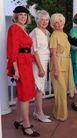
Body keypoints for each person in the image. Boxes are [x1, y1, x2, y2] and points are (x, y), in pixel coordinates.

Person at [6, 6, 40, 137]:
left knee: (21, 94)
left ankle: (18, 120)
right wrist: (15, 69)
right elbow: (13, 49)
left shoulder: (24, 29)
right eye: (20, 15)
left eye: (25, 15)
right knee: (25, 95)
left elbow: (28, 49)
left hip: (26, 63)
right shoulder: (14, 28)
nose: (23, 17)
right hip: (20, 64)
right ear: (15, 16)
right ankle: (26, 125)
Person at [29, 9, 52, 123]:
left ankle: (36, 111)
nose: (44, 22)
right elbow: (34, 52)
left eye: (46, 19)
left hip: (45, 61)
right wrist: (41, 68)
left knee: (41, 87)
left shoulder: (47, 32)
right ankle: (39, 113)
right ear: (37, 20)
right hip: (38, 63)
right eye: (42, 19)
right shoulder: (36, 32)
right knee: (39, 88)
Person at [49, 13, 71, 121]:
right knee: (60, 91)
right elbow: (53, 54)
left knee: (62, 91)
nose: (59, 24)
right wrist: (56, 70)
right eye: (56, 22)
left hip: (66, 65)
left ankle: (57, 111)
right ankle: (61, 115)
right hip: (57, 65)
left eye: (60, 21)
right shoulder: (54, 35)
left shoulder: (65, 35)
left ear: (63, 22)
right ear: (53, 24)